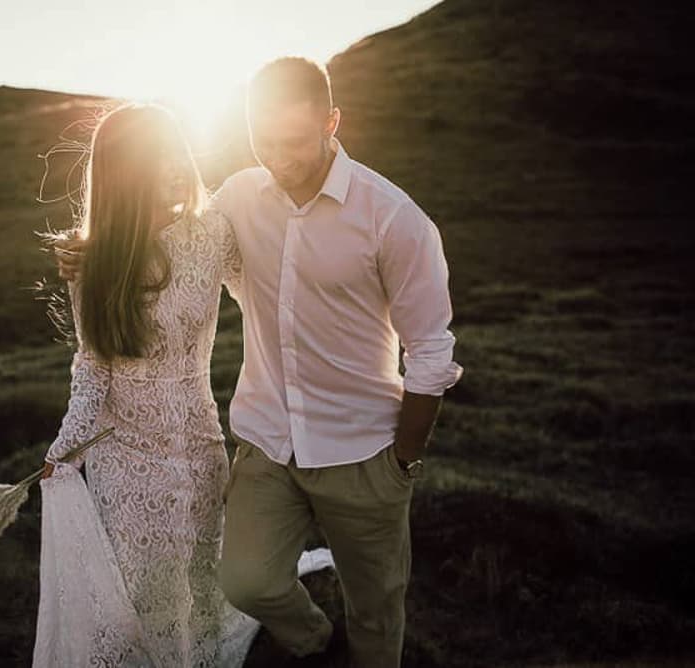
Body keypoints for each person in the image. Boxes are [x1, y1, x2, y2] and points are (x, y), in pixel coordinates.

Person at [56, 57, 463, 668]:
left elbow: (431, 350)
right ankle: (315, 646)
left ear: (332, 122)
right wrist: (90, 252)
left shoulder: (394, 219)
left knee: (377, 611)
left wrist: (403, 457)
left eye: (294, 141)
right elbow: (171, 239)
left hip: (363, 451)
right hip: (268, 444)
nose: (277, 156)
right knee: (245, 582)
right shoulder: (240, 198)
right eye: (262, 139)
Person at [34, 102, 257, 667]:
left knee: (200, 592)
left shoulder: (212, 235)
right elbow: (92, 367)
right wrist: (64, 449)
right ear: (125, 174)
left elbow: (266, 295)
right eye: (157, 161)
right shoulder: (95, 262)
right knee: (141, 602)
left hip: (201, 454)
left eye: (177, 153)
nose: (176, 169)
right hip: (126, 463)